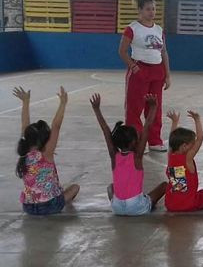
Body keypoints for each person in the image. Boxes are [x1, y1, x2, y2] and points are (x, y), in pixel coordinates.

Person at [90, 93, 167, 215]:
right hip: (137, 207)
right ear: (133, 143)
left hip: (117, 208)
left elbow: (105, 130)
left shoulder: (114, 156)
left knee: (111, 187)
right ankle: (145, 203)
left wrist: (96, 109)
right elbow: (147, 127)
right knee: (164, 185)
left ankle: (124, 203)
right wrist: (153, 107)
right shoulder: (137, 157)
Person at [14, 86, 79, 215]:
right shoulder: (46, 153)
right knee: (75, 188)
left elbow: (25, 126)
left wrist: (25, 102)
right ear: (44, 139)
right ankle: (58, 200)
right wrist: (63, 103)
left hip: (28, 207)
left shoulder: (24, 152)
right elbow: (56, 126)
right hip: (49, 206)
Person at [119, 0, 171, 152]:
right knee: (135, 108)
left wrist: (167, 75)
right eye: (148, 9)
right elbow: (122, 51)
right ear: (140, 10)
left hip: (157, 72)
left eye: (154, 9)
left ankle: (154, 141)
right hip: (139, 70)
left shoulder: (158, 29)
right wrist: (134, 68)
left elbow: (164, 52)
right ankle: (134, 142)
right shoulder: (132, 28)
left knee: (155, 108)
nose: (152, 12)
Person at [164, 109, 203, 212]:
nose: (194, 145)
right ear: (184, 146)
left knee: (172, 187)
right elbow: (200, 138)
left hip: (171, 204)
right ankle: (202, 204)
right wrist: (197, 119)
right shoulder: (187, 158)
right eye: (192, 143)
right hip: (188, 204)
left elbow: (172, 141)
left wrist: (174, 122)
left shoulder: (171, 156)